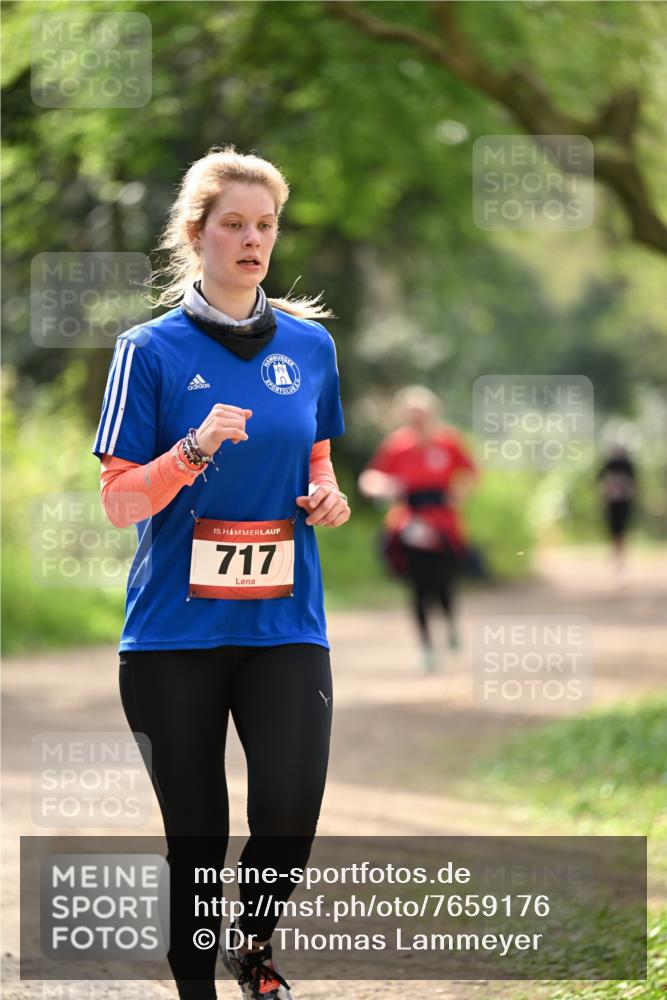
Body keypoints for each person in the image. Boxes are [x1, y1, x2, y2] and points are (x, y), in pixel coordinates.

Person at [92, 146, 350, 1000]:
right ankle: (194, 987)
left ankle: (252, 943)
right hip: (174, 634)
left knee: (288, 803)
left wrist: (326, 494)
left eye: (265, 225)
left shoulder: (310, 349)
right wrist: (193, 448)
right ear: (195, 235)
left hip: (284, 625)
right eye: (233, 225)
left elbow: (314, 453)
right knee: (196, 836)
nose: (252, 241)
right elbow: (121, 502)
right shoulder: (148, 350)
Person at [358, 386, 476, 673]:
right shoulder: (397, 445)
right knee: (418, 585)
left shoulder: (448, 442)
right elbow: (371, 477)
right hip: (410, 519)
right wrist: (383, 487)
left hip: (443, 520)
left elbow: (470, 472)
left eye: (422, 413)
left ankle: (450, 625)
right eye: (412, 415)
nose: (417, 420)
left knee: (444, 580)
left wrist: (459, 492)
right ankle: (426, 646)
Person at [596, 443, 637, 573]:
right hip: (612, 501)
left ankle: (619, 555)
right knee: (614, 529)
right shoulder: (609, 464)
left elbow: (634, 483)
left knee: (621, 529)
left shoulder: (628, 465)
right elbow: (599, 479)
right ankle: (616, 554)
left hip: (624, 501)